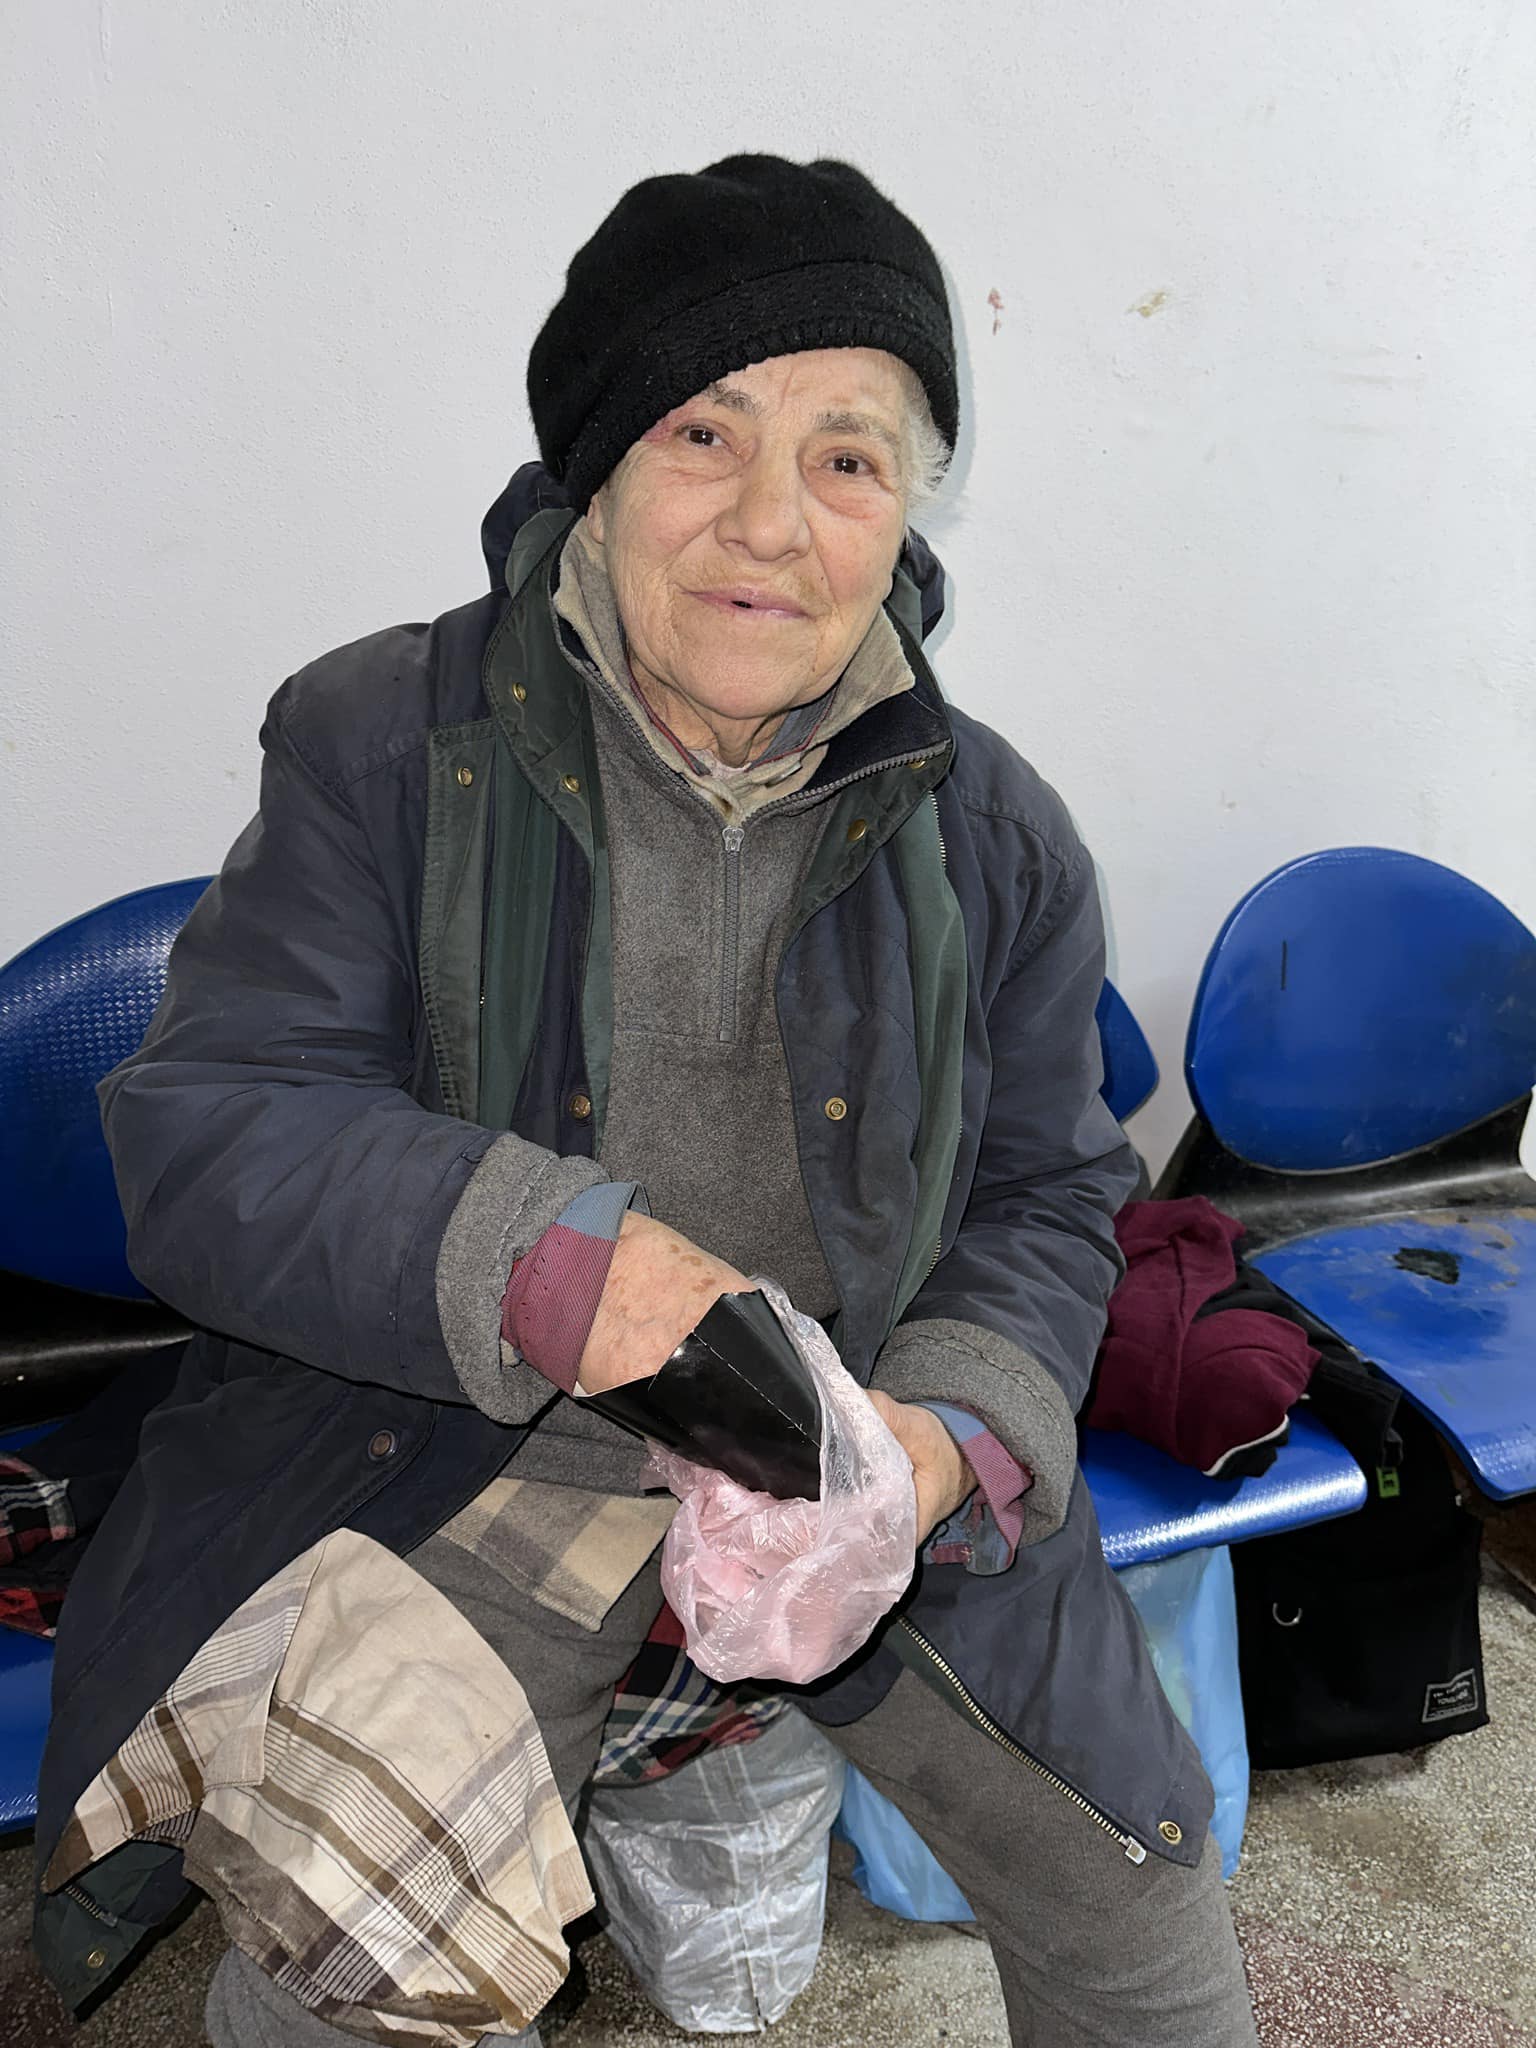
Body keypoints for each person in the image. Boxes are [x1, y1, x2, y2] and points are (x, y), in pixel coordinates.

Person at [33, 156, 1258, 2046]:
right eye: (705, 433)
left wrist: (939, 1448)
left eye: (846, 458)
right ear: (596, 471)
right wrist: (561, 1266)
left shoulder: (996, 830)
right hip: (455, 1447)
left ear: (903, 508)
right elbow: (215, 1129)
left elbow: (1047, 1193)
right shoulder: (387, 742)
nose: (773, 522)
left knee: (1142, 1904)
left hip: (848, 1456)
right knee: (366, 1983)